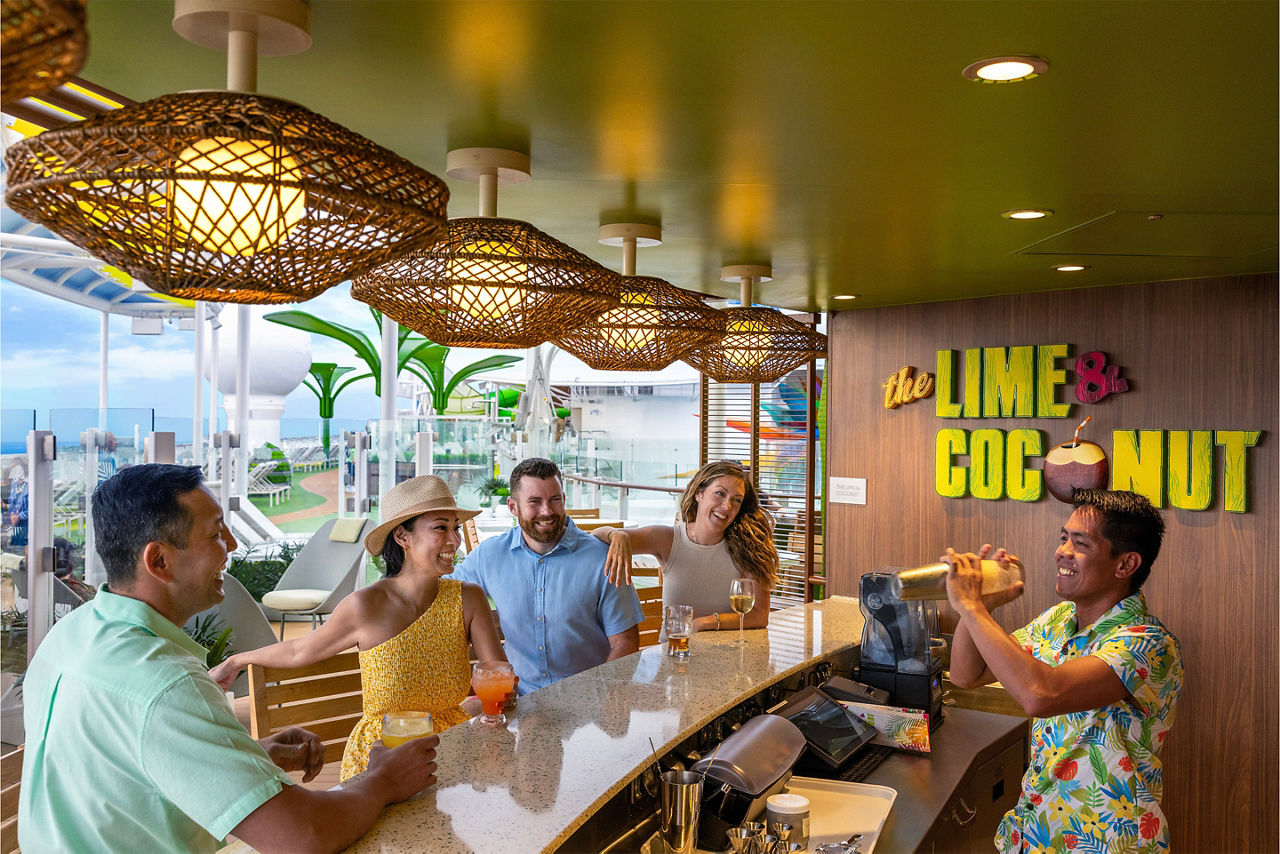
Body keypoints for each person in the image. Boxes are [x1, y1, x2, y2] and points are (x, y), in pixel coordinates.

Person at [20, 464, 438, 853]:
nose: (233, 546)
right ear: (159, 561)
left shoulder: (70, 634)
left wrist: (242, 756)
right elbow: (303, 835)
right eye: (217, 533)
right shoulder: (166, 683)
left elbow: (117, 764)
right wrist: (383, 780)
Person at [212, 475, 508, 780]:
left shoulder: (468, 598)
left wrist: (485, 707)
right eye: (440, 528)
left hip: (454, 750)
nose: (454, 540)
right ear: (402, 537)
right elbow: (300, 650)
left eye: (455, 528)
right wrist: (237, 660)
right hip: (382, 758)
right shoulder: (365, 607)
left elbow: (497, 672)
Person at [945, 488, 1184, 853]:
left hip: (1106, 843)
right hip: (1037, 833)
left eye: (1081, 543)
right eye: (1063, 538)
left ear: (1125, 565)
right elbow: (967, 675)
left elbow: (1042, 694)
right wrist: (979, 609)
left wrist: (974, 609)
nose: (1062, 551)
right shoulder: (1056, 621)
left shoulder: (1147, 643)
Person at [451, 457, 643, 695]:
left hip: (587, 704)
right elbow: (443, 593)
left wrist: (605, 696)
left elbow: (625, 642)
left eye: (554, 500)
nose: (547, 511)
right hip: (517, 703)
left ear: (563, 499)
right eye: (534, 502)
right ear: (513, 507)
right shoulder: (489, 556)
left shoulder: (603, 558)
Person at [593, 460, 778, 636]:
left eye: (736, 500)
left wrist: (704, 623)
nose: (727, 506)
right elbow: (592, 538)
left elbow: (759, 615)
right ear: (699, 493)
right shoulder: (668, 539)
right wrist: (616, 535)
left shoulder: (747, 548)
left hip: (724, 657)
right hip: (673, 655)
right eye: (720, 494)